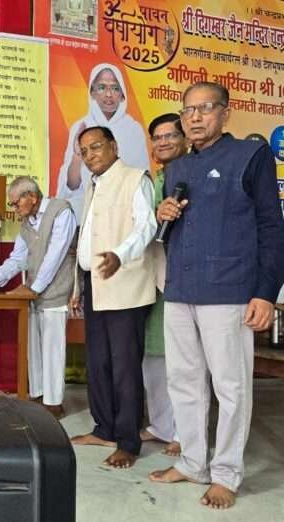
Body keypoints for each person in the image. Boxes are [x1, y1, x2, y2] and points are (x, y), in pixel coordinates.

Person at [149, 82, 284, 509]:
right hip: (180, 289)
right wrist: (162, 214)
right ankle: (192, 462)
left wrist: (266, 292)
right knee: (183, 382)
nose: (194, 117)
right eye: (188, 110)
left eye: (205, 108)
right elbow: (173, 230)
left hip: (229, 290)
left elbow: (272, 226)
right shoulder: (178, 168)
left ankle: (225, 473)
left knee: (231, 387)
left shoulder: (250, 155)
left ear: (225, 112)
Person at [69, 126, 157, 468]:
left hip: (126, 284)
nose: (90, 155)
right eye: (84, 152)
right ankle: (104, 429)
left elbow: (147, 226)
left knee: (124, 367)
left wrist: (120, 254)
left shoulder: (135, 179)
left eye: (96, 147)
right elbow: (88, 238)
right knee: (98, 362)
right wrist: (79, 286)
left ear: (114, 146)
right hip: (95, 283)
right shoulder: (94, 185)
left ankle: (128, 441)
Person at [0, 176, 76, 418]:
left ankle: (53, 404)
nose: (14, 208)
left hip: (56, 291)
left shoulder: (61, 211)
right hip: (32, 294)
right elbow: (17, 260)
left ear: (32, 197)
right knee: (34, 349)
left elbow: (56, 255)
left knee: (52, 349)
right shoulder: (27, 224)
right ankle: (38, 396)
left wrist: (34, 288)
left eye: (16, 203)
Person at [141, 113, 188, 457]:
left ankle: (185, 434)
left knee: (185, 362)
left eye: (170, 135)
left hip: (184, 278)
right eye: (157, 137)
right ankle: (160, 425)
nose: (163, 142)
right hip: (152, 279)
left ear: (185, 139)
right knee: (154, 357)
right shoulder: (155, 178)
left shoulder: (192, 175)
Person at [56, 63, 149, 219]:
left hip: (123, 212)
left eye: (115, 88)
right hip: (85, 212)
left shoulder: (134, 129)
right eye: (101, 87)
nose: (108, 94)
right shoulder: (80, 127)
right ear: (92, 92)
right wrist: (78, 155)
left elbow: (142, 180)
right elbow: (70, 187)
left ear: (122, 94)